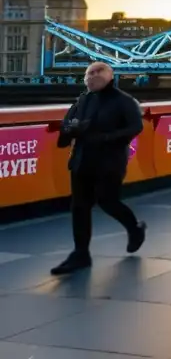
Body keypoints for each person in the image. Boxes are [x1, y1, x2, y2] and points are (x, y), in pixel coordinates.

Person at [51, 62, 147, 275]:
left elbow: (135, 127)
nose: (93, 76)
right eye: (89, 73)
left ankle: (135, 228)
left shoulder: (124, 101)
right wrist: (69, 131)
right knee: (79, 206)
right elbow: (68, 123)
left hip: (110, 161)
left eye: (98, 72)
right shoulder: (83, 100)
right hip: (82, 160)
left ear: (110, 76)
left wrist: (105, 138)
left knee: (107, 201)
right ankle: (81, 253)